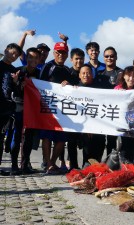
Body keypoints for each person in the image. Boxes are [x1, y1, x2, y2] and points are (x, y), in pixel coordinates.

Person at [40, 42, 72, 174]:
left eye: (63, 52)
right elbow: (39, 83)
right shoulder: (48, 66)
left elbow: (71, 89)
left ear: (67, 54)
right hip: (48, 108)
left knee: (61, 139)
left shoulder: (67, 70)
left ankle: (52, 162)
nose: (60, 55)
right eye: (58, 52)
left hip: (62, 110)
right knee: (46, 137)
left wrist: (68, 84)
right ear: (54, 53)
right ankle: (47, 164)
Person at [10, 47, 41, 175]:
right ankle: (14, 166)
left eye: (35, 58)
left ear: (39, 59)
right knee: (17, 137)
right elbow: (11, 90)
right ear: (25, 58)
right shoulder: (18, 71)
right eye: (30, 57)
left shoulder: (40, 73)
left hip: (33, 108)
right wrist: (17, 83)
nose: (32, 60)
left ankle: (25, 165)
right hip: (19, 106)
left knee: (28, 138)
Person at [76, 64, 106, 167]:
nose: (86, 75)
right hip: (83, 129)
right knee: (87, 153)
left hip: (98, 127)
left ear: (92, 75)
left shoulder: (98, 88)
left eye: (88, 73)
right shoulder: (75, 89)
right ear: (79, 75)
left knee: (99, 148)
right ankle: (85, 168)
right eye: (83, 73)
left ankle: (97, 169)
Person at [0, 43, 22, 175]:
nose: (14, 56)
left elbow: (16, 91)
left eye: (17, 55)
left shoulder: (14, 70)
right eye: (12, 53)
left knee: (1, 137)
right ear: (6, 50)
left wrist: (15, 82)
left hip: (6, 109)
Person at [115, 66, 134, 164]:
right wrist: (118, 94)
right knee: (124, 150)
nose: (131, 78)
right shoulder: (117, 89)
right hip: (123, 127)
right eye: (128, 75)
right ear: (123, 76)